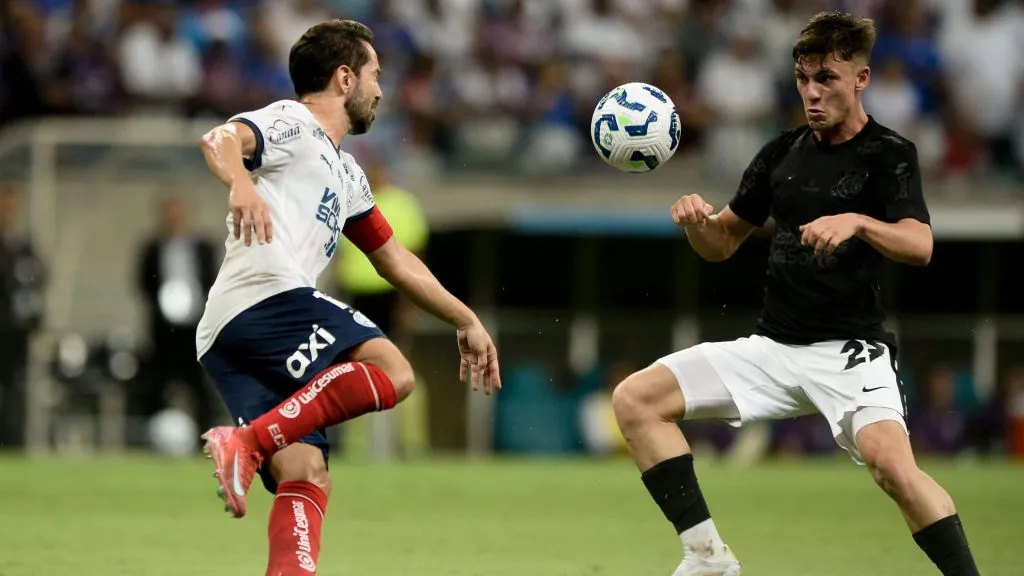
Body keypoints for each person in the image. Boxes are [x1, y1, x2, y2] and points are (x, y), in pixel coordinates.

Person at [611, 11, 979, 576]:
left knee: (894, 471)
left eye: (826, 78)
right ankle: (707, 557)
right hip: (773, 348)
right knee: (635, 400)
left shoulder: (889, 153)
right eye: (803, 79)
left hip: (849, 351)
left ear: (861, 78)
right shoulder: (780, 153)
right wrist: (696, 224)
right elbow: (722, 243)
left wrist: (858, 221)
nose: (811, 92)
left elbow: (919, 244)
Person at [195, 20, 500, 576]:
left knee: (306, 472)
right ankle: (246, 443)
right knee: (393, 371)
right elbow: (220, 139)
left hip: (228, 332)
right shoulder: (295, 122)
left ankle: (253, 452)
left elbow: (394, 259)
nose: (381, 90)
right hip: (266, 296)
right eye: (375, 75)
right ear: (344, 78)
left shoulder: (349, 174)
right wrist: (240, 185)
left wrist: (465, 318)